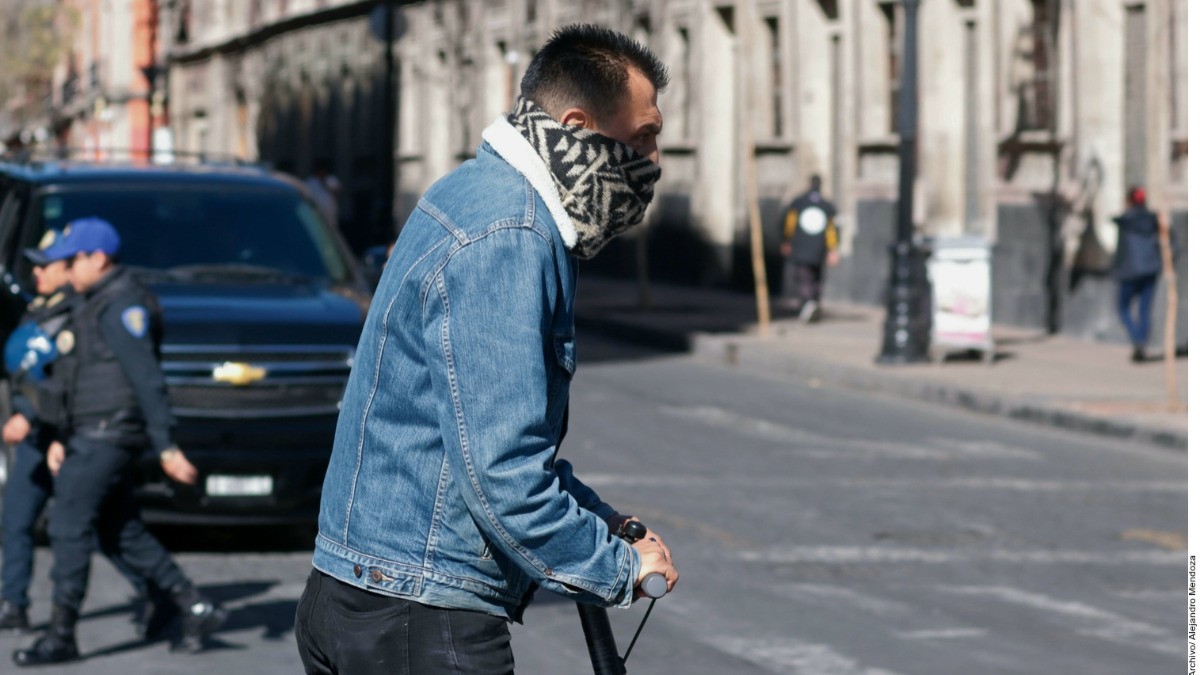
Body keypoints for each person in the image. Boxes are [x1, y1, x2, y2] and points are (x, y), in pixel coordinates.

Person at [294, 24, 678, 674]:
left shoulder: (470, 193)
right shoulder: (510, 234)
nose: (656, 160)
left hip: (362, 594)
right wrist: (619, 569)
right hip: (418, 620)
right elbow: (502, 473)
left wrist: (601, 519)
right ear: (579, 128)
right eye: (642, 137)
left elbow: (471, 436)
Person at [12, 218, 226, 666]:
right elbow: (75, 377)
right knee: (119, 530)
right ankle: (191, 605)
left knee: (68, 527)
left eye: (72, 261)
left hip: (106, 434)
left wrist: (166, 445)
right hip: (88, 431)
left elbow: (146, 379)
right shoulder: (92, 302)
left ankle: (61, 633)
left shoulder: (121, 305)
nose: (66, 270)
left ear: (98, 258)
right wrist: (58, 434)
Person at [0, 231, 173, 638]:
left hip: (79, 434)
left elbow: (98, 379)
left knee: (102, 528)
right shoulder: (45, 308)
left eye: (49, 264)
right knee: (19, 518)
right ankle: (14, 603)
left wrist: (33, 415)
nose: (37, 272)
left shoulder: (93, 311)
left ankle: (162, 596)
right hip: (58, 434)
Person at [1112, 186, 1168, 362]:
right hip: (1151, 270)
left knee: (1123, 307)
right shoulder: (1154, 220)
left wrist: (1115, 270)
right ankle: (1141, 341)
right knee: (1145, 309)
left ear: (1129, 201)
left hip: (1130, 271)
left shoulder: (1126, 221)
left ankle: (1137, 340)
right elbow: (1170, 242)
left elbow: (1121, 250)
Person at [780, 175, 840, 323]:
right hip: (819, 248)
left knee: (804, 277)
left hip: (800, 247)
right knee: (816, 277)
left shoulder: (798, 202)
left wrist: (786, 241)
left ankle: (808, 303)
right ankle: (813, 303)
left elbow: (789, 224)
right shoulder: (827, 205)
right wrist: (832, 249)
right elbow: (832, 229)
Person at [303, 158, 341, 229]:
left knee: (331, 229)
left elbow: (338, 192)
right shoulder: (310, 181)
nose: (322, 172)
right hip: (316, 212)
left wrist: (326, 185)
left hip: (330, 211)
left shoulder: (331, 179)